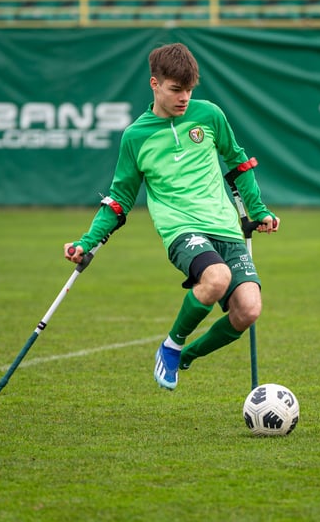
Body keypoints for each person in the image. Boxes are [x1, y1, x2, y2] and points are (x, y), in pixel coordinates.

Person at [64, 42, 279, 391]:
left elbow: (239, 163)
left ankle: (186, 355)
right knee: (215, 279)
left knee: (248, 311)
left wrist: (259, 211)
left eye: (190, 90)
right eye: (176, 90)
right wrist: (85, 242)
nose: (184, 98)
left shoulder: (209, 115)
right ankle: (171, 347)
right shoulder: (135, 137)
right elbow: (119, 199)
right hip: (183, 230)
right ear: (154, 84)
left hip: (225, 228)